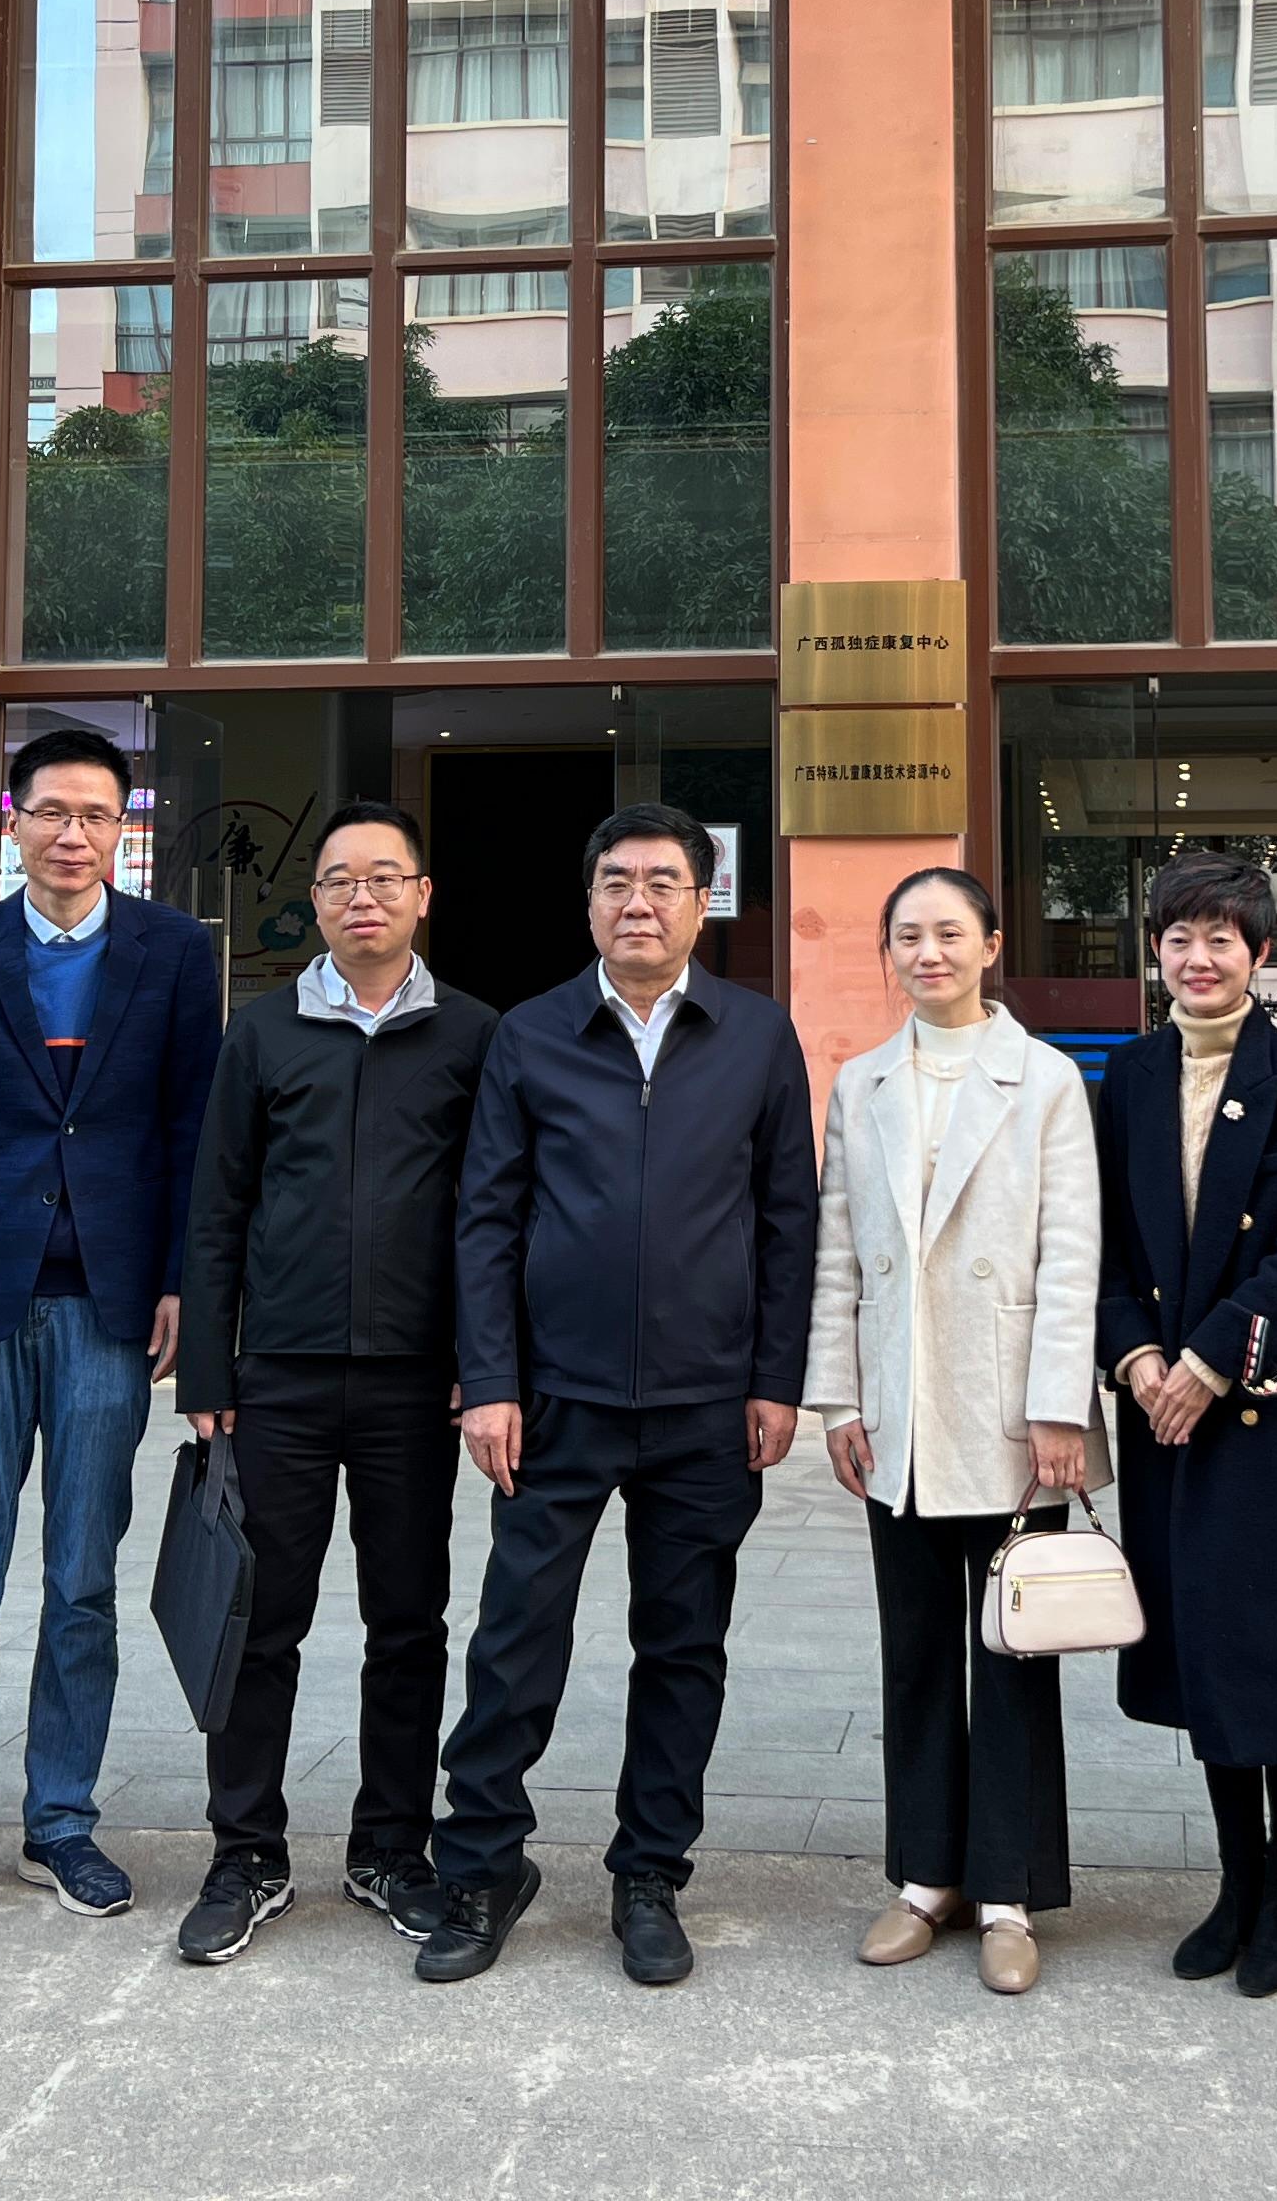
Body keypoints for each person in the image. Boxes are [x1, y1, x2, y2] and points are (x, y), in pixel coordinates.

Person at [416, 804, 817, 1989]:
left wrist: (777, 1379)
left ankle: (650, 1874)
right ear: (588, 901)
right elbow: (485, 1218)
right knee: (514, 1640)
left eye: (662, 882)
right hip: (557, 1398)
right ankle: (482, 1866)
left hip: (706, 1403)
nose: (637, 902)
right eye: (615, 883)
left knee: (683, 1647)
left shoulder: (756, 1035)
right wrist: (491, 1382)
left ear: (702, 900)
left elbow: (788, 1219)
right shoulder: (532, 1034)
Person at [0, 724, 221, 1943]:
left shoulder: (175, 951)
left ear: (123, 830)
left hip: (108, 1309)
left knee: (82, 1581)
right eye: (53, 812)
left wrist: (183, 1283)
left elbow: (193, 1131)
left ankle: (62, 1821)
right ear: (14, 820)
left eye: (98, 816)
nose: (74, 835)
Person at [171, 799, 498, 1964]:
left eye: (385, 877)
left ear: (423, 896)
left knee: (407, 1622)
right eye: (340, 880)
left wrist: (481, 1363)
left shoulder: (474, 1035)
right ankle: (245, 1852)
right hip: (280, 1378)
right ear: (313, 902)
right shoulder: (262, 1033)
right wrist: (208, 1368)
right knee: (259, 1620)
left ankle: (391, 1849)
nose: (364, 896)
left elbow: (491, 1215)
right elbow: (217, 1207)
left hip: (415, 1380)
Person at [1091, 851, 1277, 2000]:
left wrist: (1211, 1358)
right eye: (1179, 937)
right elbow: (1108, 1239)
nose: (1198, 958)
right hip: (1165, 1408)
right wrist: (1138, 1357)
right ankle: (1236, 1882)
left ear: (1259, 954)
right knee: (1204, 1645)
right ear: (1155, 951)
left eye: (1221, 938)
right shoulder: (1130, 1075)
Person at [803, 865, 1103, 1998]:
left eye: (948, 933)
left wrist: (1060, 1405)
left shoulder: (1046, 1079)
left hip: (1010, 1408)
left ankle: (1010, 1892)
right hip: (901, 1411)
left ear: (990, 944)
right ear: (888, 953)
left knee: (1013, 1652)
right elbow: (838, 1249)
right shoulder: (863, 1080)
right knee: (917, 1649)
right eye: (907, 936)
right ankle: (927, 1876)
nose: (927, 953)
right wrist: (840, 1399)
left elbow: (1072, 1252)